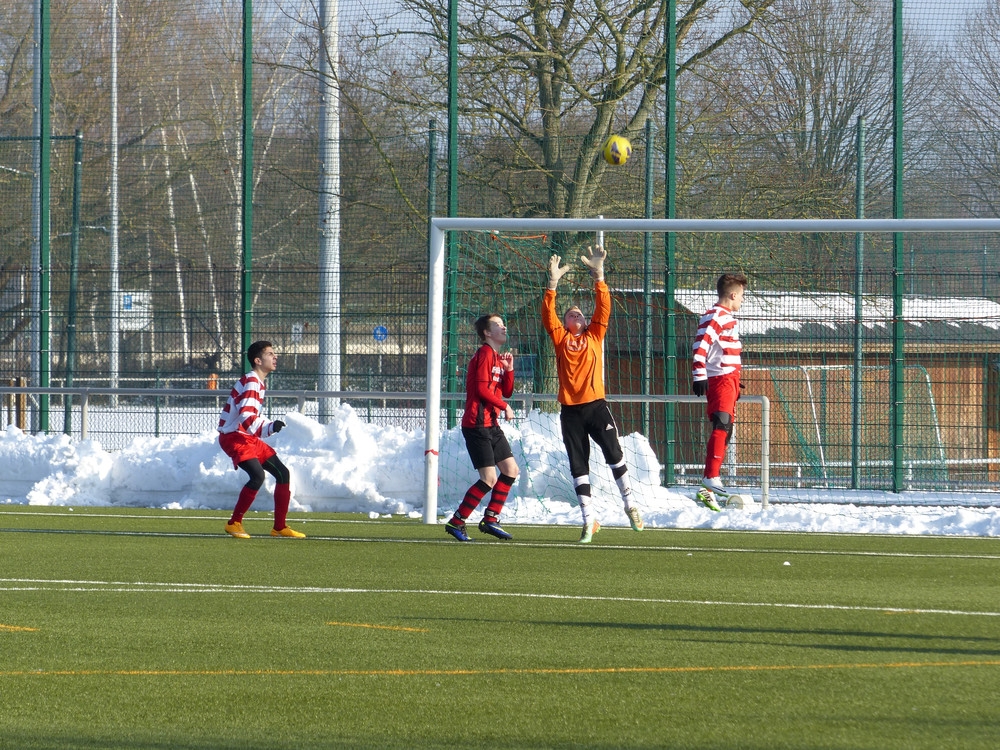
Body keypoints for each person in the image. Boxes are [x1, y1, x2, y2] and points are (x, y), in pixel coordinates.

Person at [542, 244, 644, 543]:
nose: (578, 314)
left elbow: (604, 307)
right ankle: (589, 520)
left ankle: (630, 505)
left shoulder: (594, 335)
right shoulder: (560, 339)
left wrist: (598, 274)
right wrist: (552, 284)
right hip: (571, 411)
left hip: (596, 407)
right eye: (571, 313)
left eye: (580, 313)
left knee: (614, 454)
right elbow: (548, 314)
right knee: (578, 464)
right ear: (566, 322)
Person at [218, 340, 305, 539]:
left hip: (245, 437)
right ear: (258, 360)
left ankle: (280, 527)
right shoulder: (251, 381)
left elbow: (249, 418)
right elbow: (246, 417)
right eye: (270, 354)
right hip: (234, 438)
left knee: (283, 473)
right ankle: (234, 523)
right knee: (257, 477)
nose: (275, 357)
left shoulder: (257, 382)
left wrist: (268, 427)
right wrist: (268, 427)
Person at [444, 314, 519, 542]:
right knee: (488, 479)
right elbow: (483, 391)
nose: (503, 326)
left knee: (511, 470)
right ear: (487, 333)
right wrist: (504, 406)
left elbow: (506, 391)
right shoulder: (485, 354)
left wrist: (509, 370)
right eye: (497, 325)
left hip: (491, 424)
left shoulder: (496, 358)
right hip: (477, 425)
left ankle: (491, 518)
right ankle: (457, 521)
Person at [692, 273, 749, 511]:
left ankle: (707, 486)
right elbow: (700, 344)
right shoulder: (716, 315)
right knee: (721, 424)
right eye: (742, 296)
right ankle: (710, 478)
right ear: (733, 294)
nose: (743, 301)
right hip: (720, 380)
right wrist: (699, 375)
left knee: (727, 428)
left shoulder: (726, 317)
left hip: (730, 380)